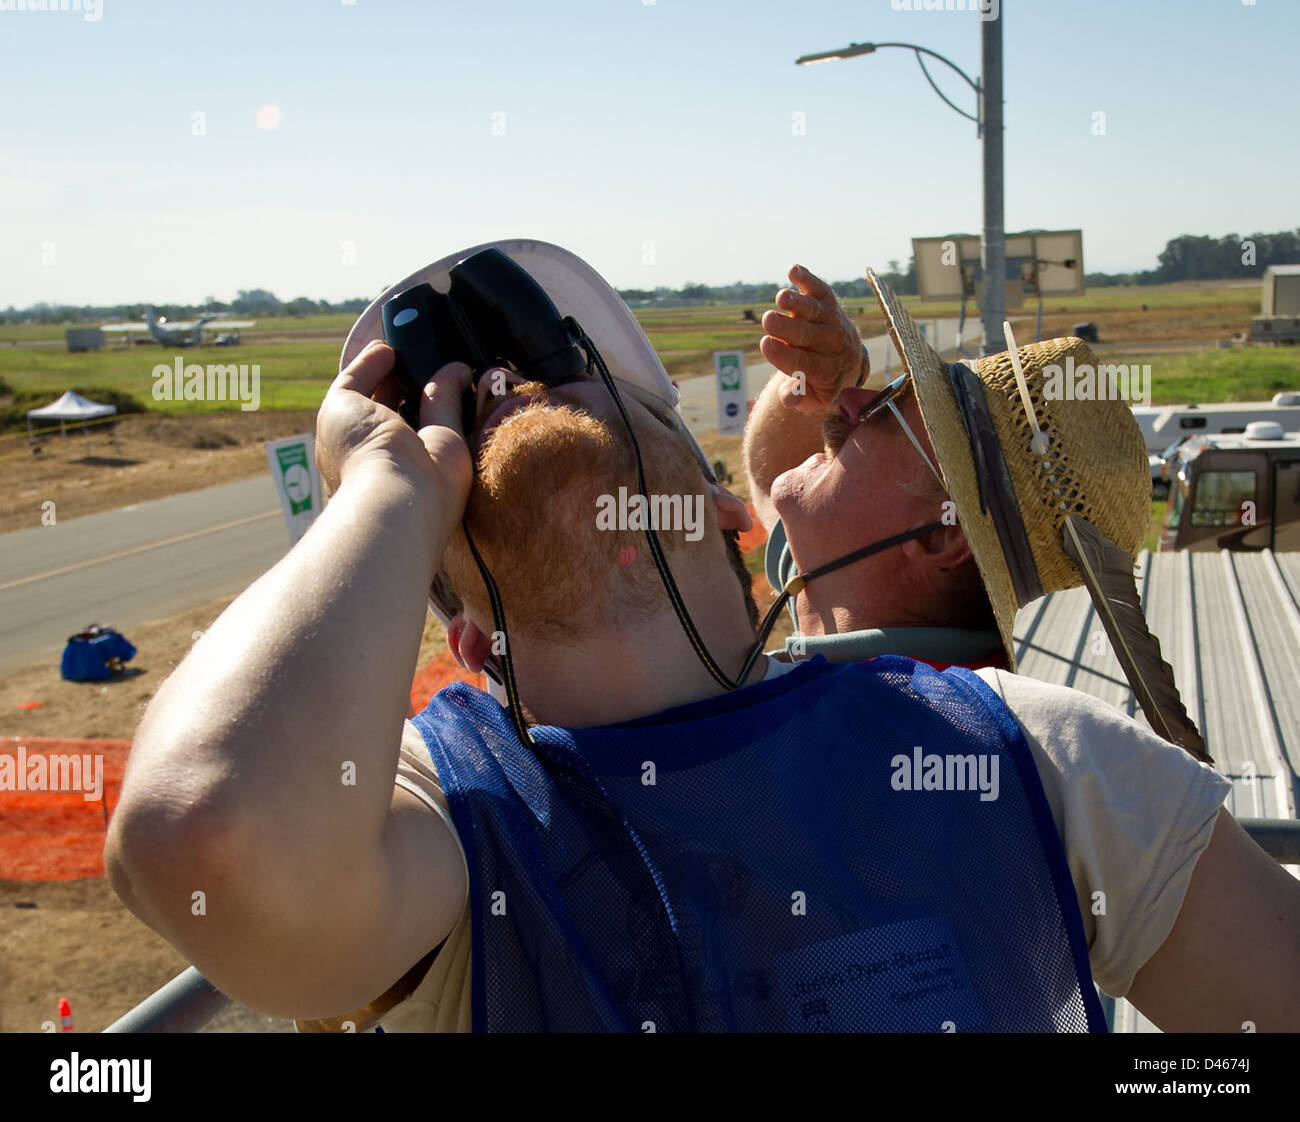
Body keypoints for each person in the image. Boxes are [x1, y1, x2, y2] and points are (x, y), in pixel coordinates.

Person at [105, 241, 1298, 1034]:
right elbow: (205, 839)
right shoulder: (450, 824)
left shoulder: (1037, 755)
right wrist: (382, 491)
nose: (515, 395)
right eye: (469, 438)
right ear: (464, 637)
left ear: (726, 519)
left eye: (569, 379)